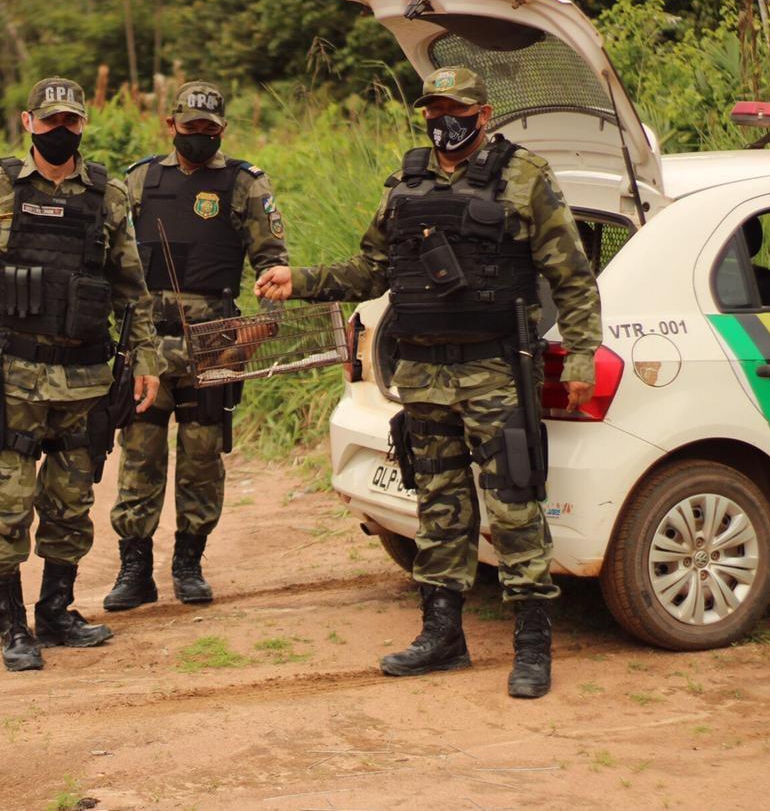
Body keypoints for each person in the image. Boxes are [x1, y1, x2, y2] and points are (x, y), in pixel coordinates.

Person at [255, 67, 600, 698]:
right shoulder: (405, 185)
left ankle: (532, 643)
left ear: (483, 113)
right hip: (422, 373)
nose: (445, 119)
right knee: (438, 506)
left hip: (495, 370)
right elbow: (369, 268)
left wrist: (581, 354)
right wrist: (296, 279)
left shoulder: (526, 177)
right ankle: (443, 637)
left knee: (515, 505)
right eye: (435, 108)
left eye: (457, 108)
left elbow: (572, 274)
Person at [0, 77, 161, 672]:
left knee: (69, 503)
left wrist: (147, 361)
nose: (61, 132)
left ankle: (55, 612)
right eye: (50, 121)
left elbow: (133, 292)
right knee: (7, 505)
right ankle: (12, 628)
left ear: (83, 126)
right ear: (27, 122)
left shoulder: (108, 198)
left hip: (85, 382)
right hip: (15, 383)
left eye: (71, 122)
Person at [104, 81, 289, 610]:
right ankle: (134, 569)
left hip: (216, 345)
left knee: (203, 456)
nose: (200, 138)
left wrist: (264, 326)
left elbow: (272, 262)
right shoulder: (140, 180)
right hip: (148, 345)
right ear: (171, 126)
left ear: (222, 129)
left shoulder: (245, 184)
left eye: (210, 131)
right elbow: (113, 261)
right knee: (139, 453)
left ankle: (189, 563)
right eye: (191, 130)